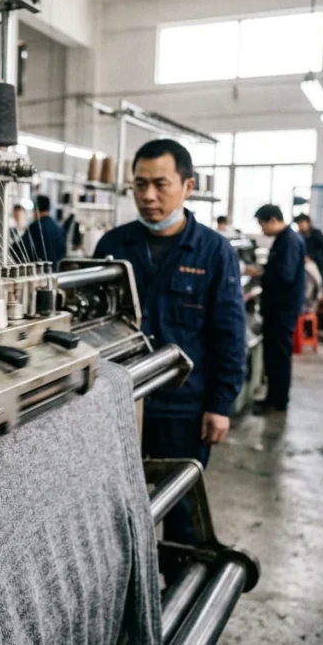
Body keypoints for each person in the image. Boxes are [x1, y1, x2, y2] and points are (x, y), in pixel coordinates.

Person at [94, 139, 245, 569]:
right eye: (139, 185)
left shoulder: (214, 253)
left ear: (187, 186)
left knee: (179, 509)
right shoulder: (113, 245)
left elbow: (229, 335)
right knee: (115, 508)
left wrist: (220, 405)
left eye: (161, 184)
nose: (148, 196)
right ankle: (124, 598)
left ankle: (176, 591)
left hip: (183, 407)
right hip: (120, 405)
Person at [253, 204, 306, 415]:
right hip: (279, 308)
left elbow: (285, 276)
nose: (262, 230)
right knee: (275, 354)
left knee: (279, 355)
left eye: (262, 224)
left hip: (282, 309)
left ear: (273, 220)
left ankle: (277, 400)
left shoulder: (289, 241)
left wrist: (261, 274)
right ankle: (274, 397)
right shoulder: (285, 239)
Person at [15, 195, 66, 270]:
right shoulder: (58, 227)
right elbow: (63, 251)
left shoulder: (35, 227)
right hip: (56, 272)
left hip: (39, 273)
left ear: (36, 209)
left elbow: (19, 248)